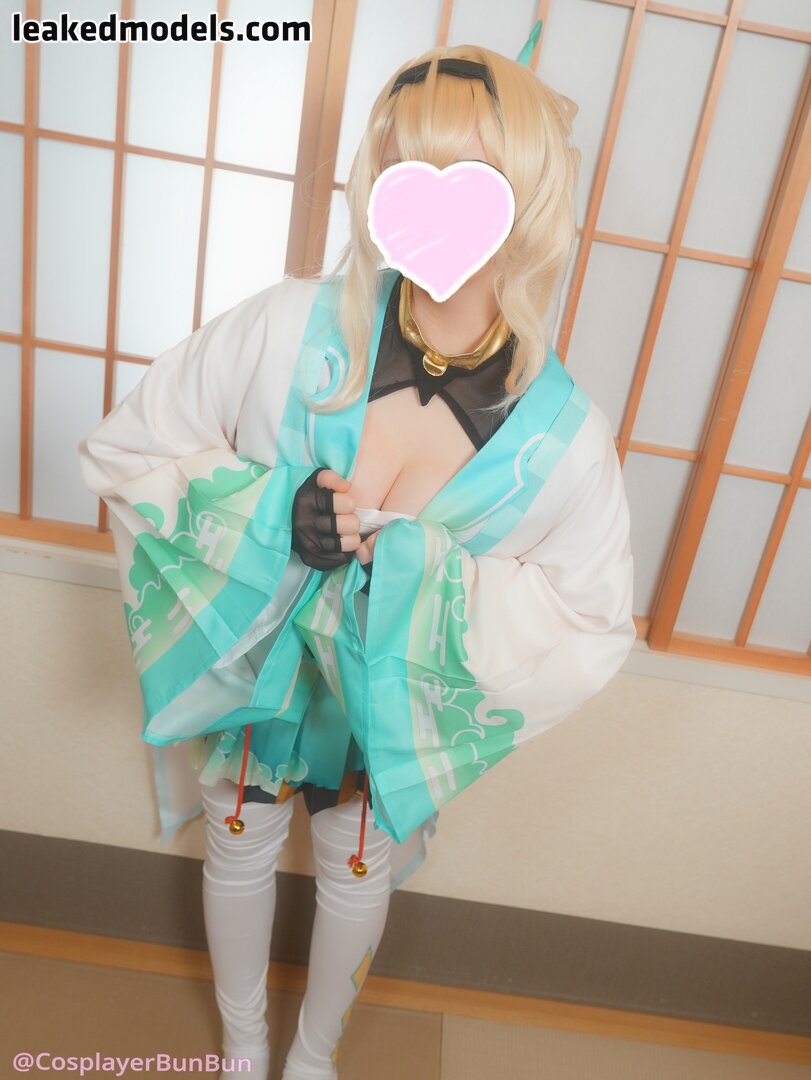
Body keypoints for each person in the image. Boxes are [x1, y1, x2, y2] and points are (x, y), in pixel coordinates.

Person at [78, 30, 635, 1080]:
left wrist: (423, 582)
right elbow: (134, 448)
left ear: (530, 200)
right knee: (238, 837)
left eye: (469, 178)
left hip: (389, 699)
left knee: (355, 860)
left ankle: (311, 1058)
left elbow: (589, 617)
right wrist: (269, 515)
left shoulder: (565, 437)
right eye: (404, 168)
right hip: (260, 661)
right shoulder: (285, 327)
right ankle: (244, 1048)